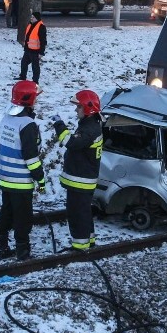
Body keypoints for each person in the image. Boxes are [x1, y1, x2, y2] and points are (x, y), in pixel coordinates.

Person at [0, 81, 46, 261]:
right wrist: (40, 179)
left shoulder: (6, 118)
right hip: (20, 180)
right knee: (23, 218)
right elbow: (31, 157)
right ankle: (23, 252)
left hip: (5, 177)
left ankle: (1, 248)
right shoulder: (27, 125)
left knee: (7, 212)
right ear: (30, 100)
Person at [52, 91, 103, 251]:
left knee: (77, 214)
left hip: (81, 181)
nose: (76, 110)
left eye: (79, 107)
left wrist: (59, 124)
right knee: (84, 211)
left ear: (88, 108)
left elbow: (71, 142)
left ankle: (80, 247)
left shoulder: (89, 129)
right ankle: (89, 241)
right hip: (83, 179)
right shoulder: (90, 125)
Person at [18, 11, 47, 84]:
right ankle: (22, 76)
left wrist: (41, 52)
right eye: (31, 17)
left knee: (35, 67)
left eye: (33, 17)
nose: (31, 18)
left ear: (37, 18)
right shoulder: (30, 25)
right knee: (24, 63)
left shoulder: (41, 27)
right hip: (28, 49)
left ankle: (35, 81)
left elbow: (43, 41)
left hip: (35, 51)